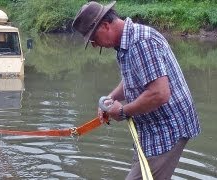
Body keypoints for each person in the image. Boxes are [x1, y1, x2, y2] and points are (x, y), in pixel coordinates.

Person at [72, 1, 201, 179]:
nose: (95, 45)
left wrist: (123, 111)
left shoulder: (141, 42)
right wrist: (110, 98)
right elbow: (132, 79)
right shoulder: (126, 43)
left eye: (93, 39)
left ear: (105, 25)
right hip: (149, 129)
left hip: (167, 129)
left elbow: (159, 94)